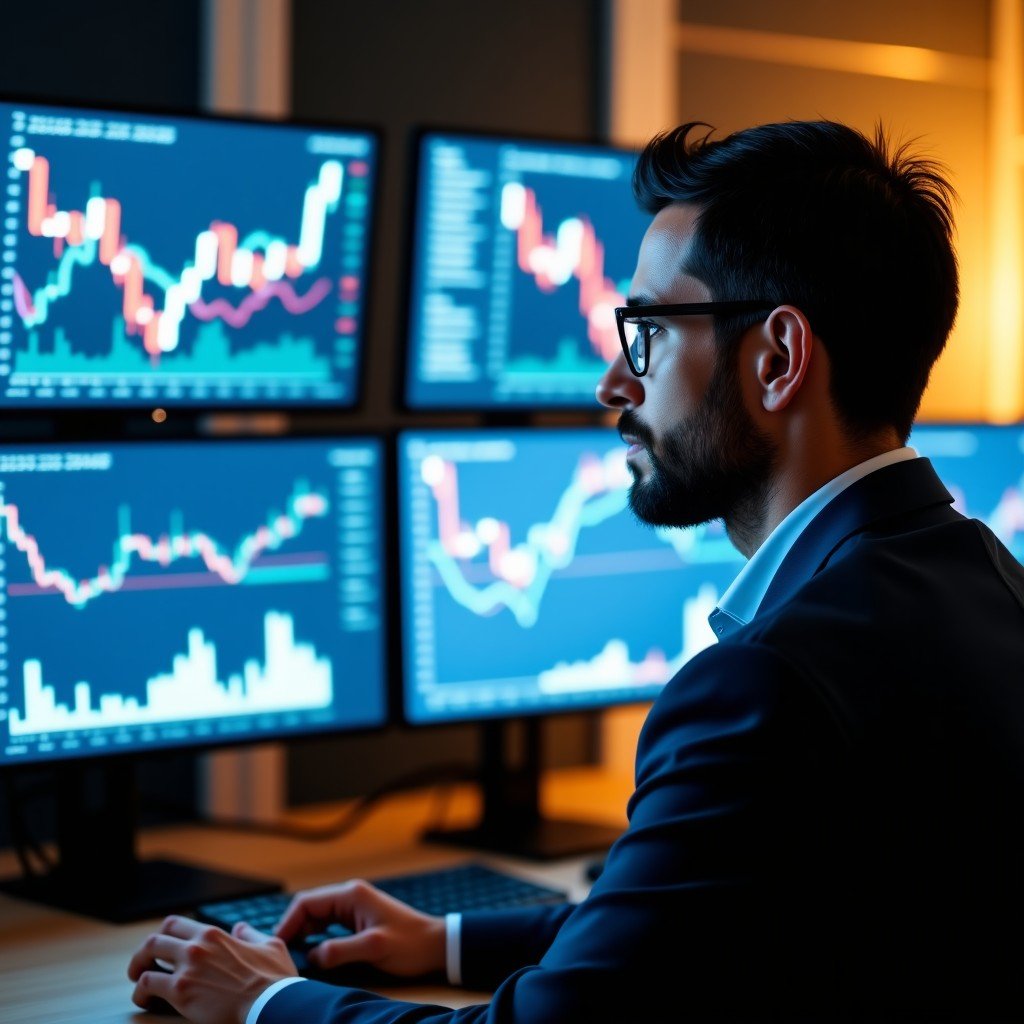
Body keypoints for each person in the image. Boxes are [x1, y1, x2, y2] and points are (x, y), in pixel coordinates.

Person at [127, 120, 1024, 1023]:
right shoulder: (990, 582)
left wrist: (265, 998)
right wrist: (446, 940)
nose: (613, 384)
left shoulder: (766, 686)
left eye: (648, 332)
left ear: (779, 360)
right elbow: (721, 919)